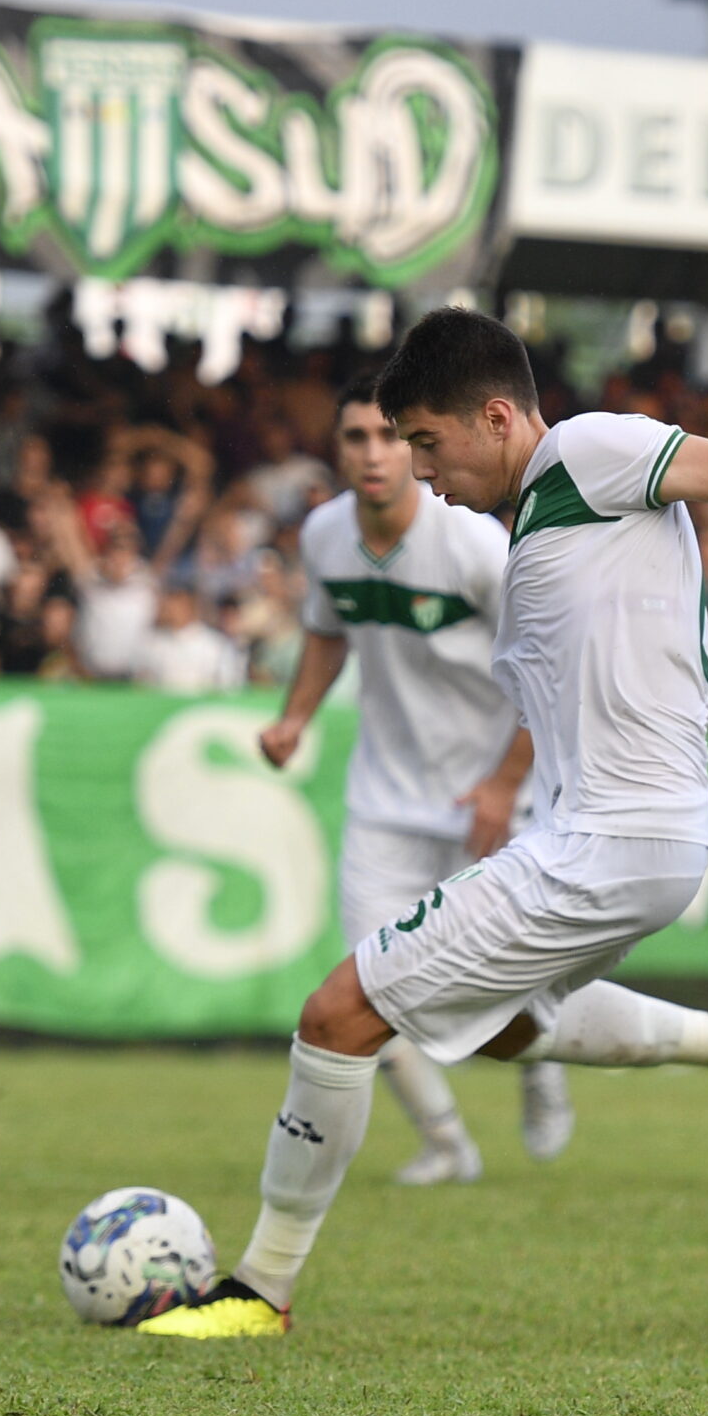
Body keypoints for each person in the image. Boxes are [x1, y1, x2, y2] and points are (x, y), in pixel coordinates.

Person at [140, 309, 708, 1339]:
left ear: (495, 417)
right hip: (630, 841)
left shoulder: (590, 452)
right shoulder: (532, 514)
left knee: (335, 1015)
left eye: (425, 442)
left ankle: (255, 1290)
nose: (418, 467)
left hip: (608, 841)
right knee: (499, 1027)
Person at [259, 372, 574, 1189]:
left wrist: (506, 783)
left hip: (486, 797)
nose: (373, 453)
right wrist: (295, 716)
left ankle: (542, 1063)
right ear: (336, 450)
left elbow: (549, 660)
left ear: (413, 444)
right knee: (364, 982)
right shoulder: (326, 535)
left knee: (502, 989)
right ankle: (445, 1142)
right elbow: (327, 631)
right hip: (385, 800)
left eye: (389, 436)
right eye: (355, 437)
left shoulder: (470, 543)